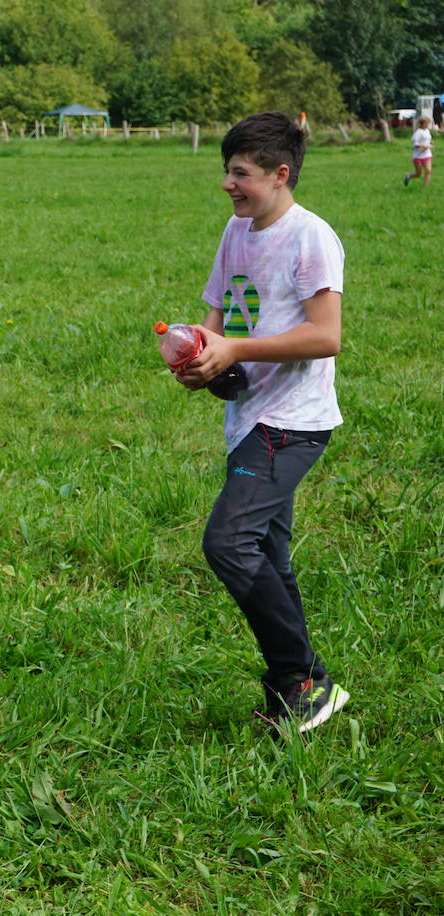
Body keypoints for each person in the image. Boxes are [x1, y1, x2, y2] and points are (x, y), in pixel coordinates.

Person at [177, 112, 350, 735]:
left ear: (280, 175)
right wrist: (201, 357)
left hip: (293, 422)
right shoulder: (237, 230)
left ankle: (305, 678)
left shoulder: (311, 238)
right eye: (226, 170)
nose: (228, 183)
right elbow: (219, 319)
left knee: (228, 543)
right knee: (268, 554)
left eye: (240, 173)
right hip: (249, 416)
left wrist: (238, 352)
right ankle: (294, 688)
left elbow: (326, 335)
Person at [404, 116, 432, 187]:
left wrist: (430, 142)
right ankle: (408, 176)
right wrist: (423, 147)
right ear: (422, 124)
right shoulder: (418, 132)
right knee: (418, 174)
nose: (428, 125)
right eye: (427, 123)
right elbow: (414, 143)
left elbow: (427, 139)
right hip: (418, 155)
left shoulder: (427, 131)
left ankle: (425, 187)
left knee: (428, 171)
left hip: (427, 154)